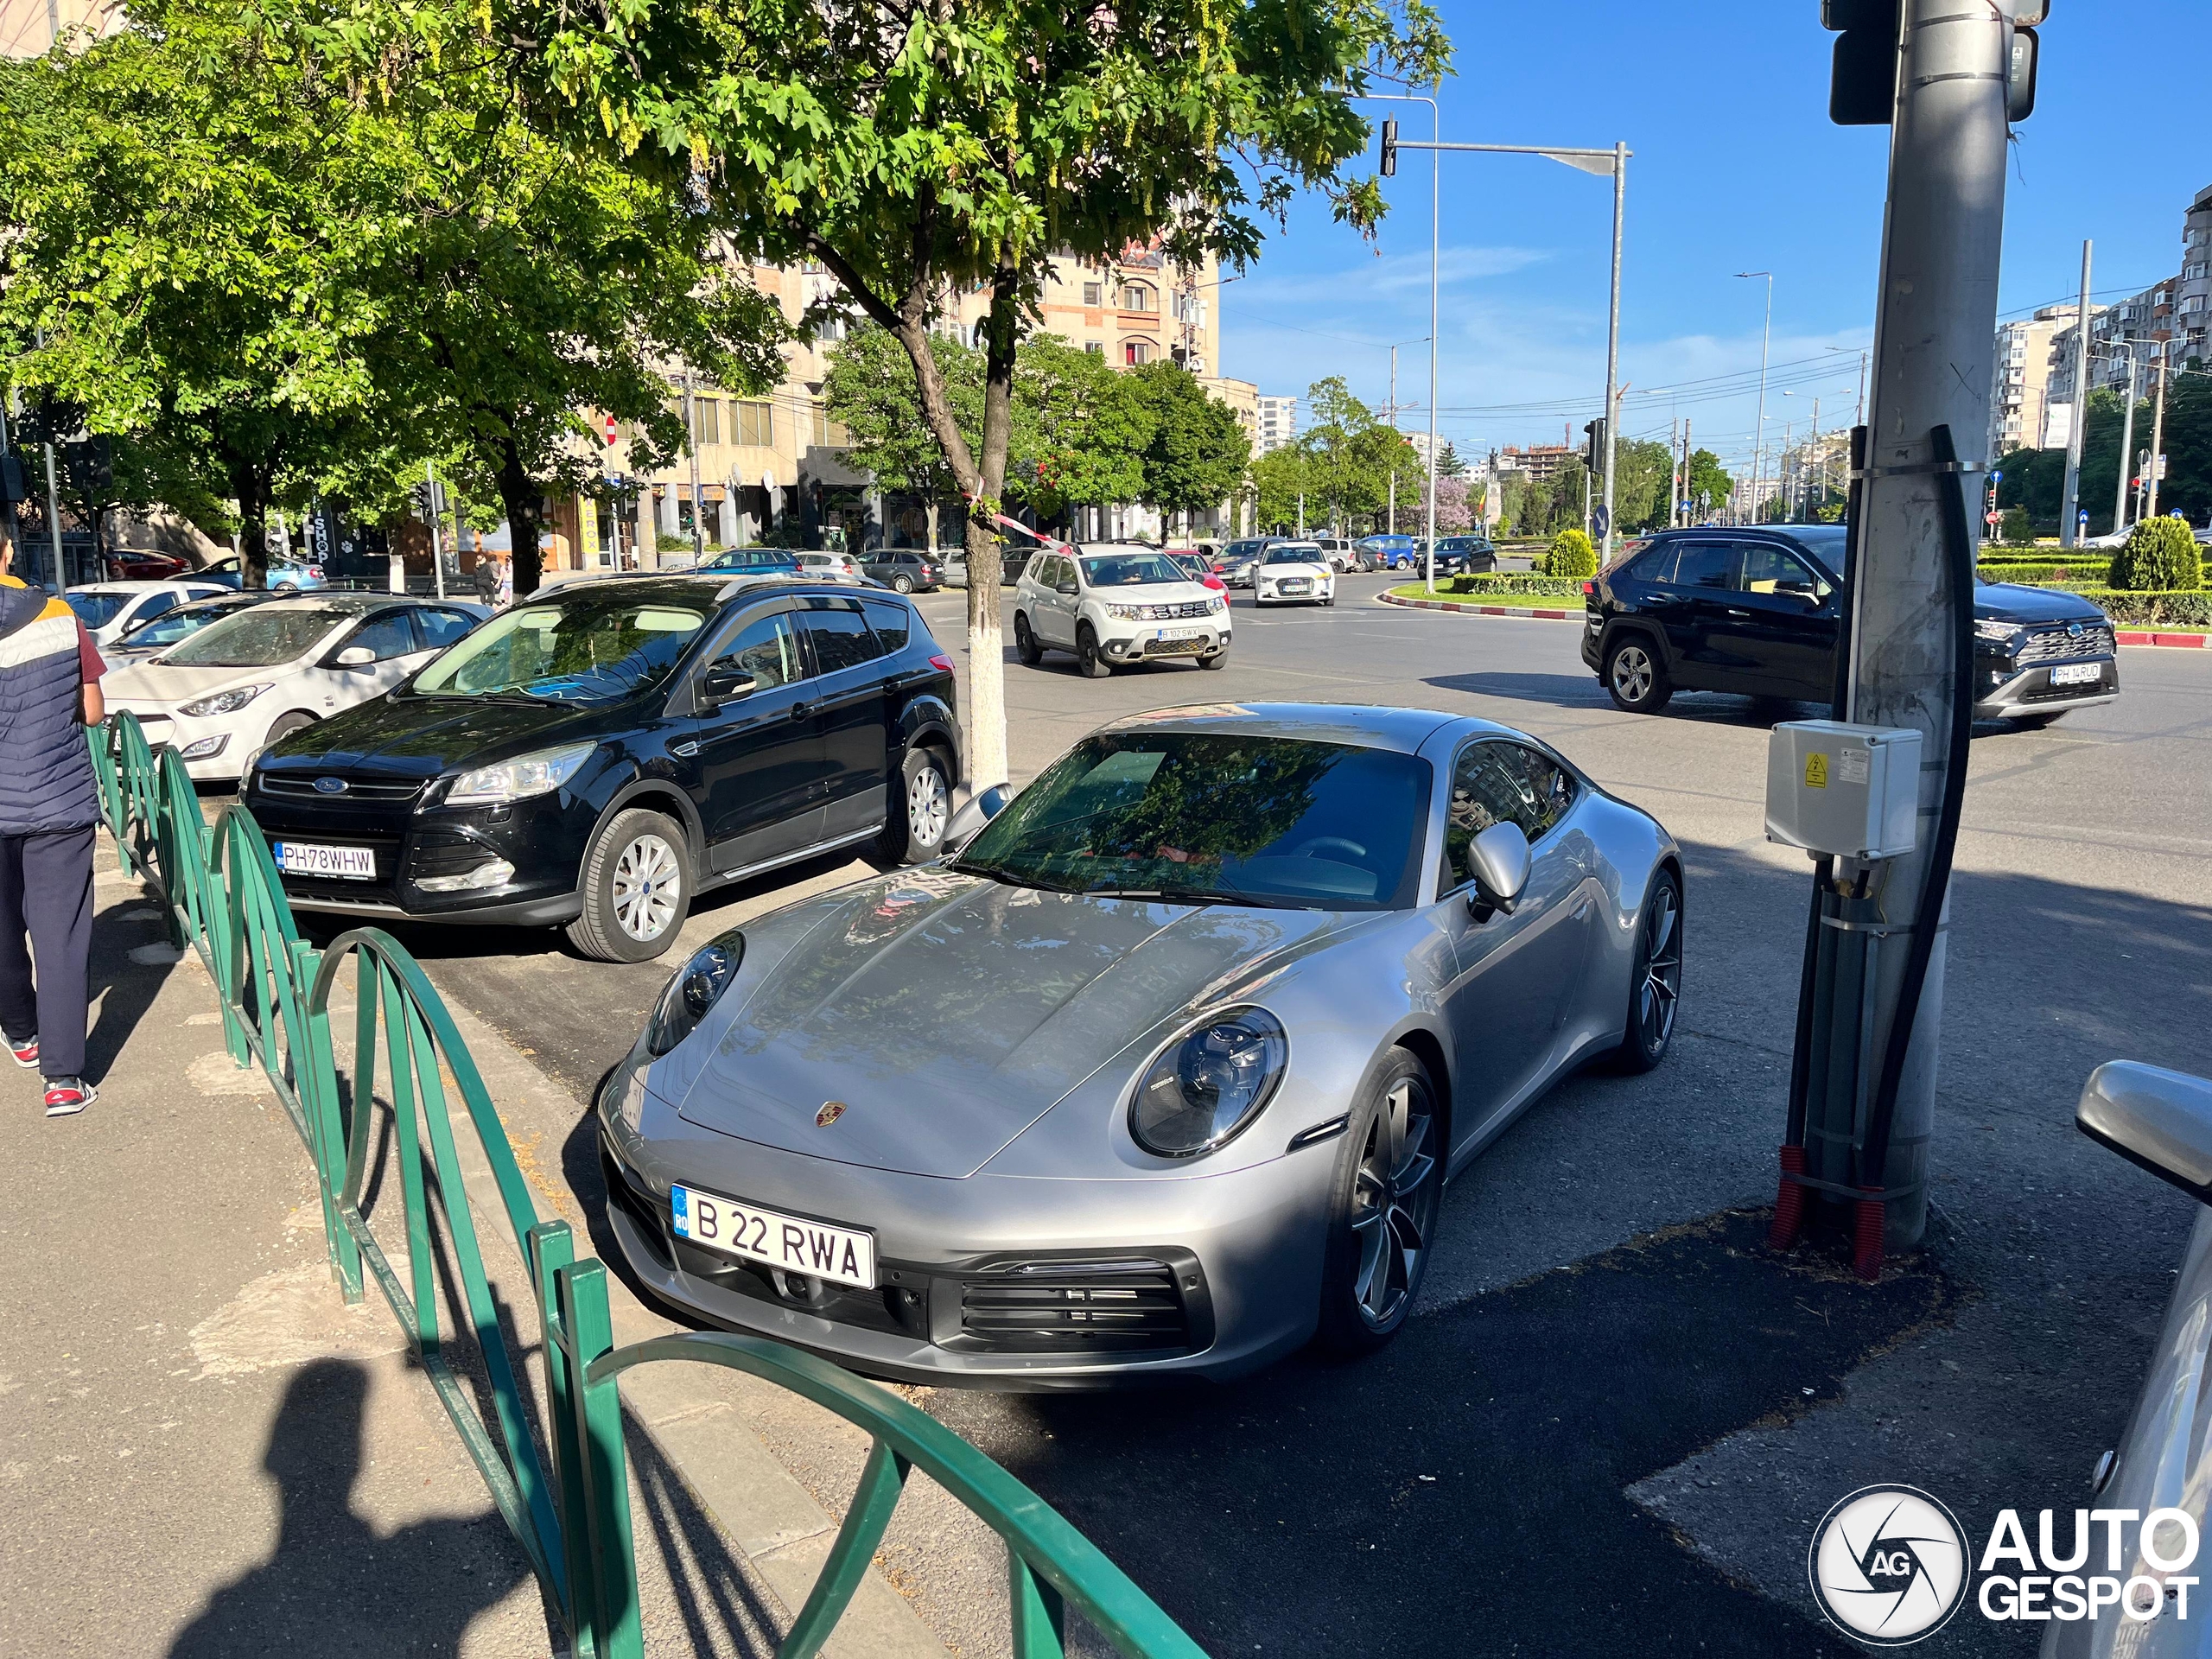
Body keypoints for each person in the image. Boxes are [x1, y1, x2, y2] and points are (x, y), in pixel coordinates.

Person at [0, 544, 106, 1116]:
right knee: (60, 937)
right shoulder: (57, 616)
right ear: (9, 549)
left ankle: (21, 1033)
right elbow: (91, 712)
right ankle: (63, 1080)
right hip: (56, 800)